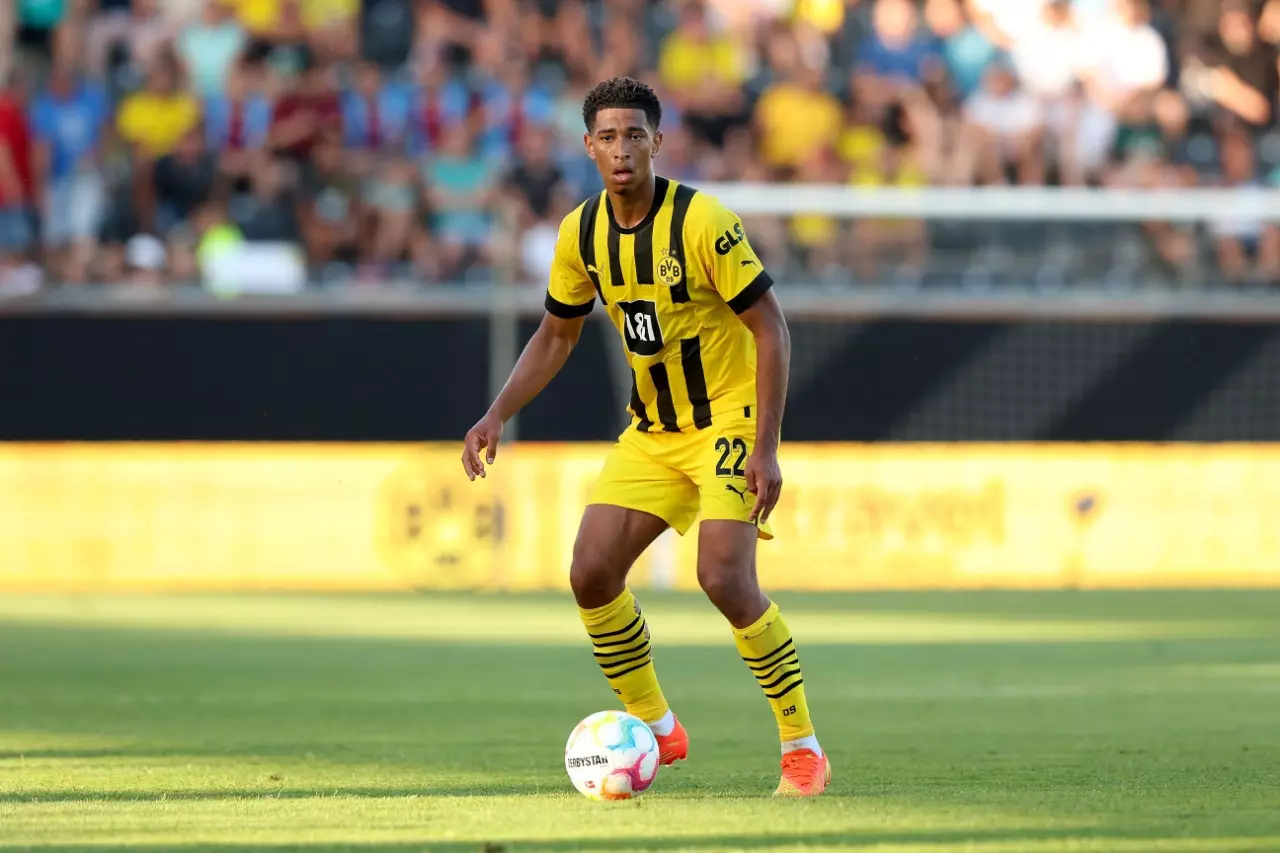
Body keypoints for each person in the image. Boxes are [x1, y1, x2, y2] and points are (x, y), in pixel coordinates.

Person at [460, 77, 830, 798]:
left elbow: (771, 328)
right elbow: (556, 334)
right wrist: (496, 412)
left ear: (657, 142)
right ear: (588, 146)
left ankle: (802, 746)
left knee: (724, 578)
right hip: (653, 430)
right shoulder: (580, 233)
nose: (622, 149)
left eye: (635, 135)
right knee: (590, 572)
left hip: (727, 420)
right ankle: (657, 726)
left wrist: (766, 445)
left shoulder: (703, 222)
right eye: (608, 137)